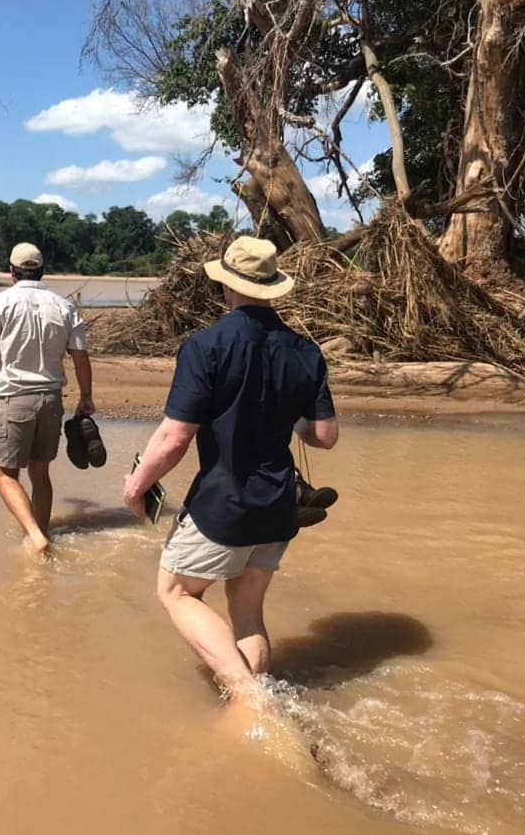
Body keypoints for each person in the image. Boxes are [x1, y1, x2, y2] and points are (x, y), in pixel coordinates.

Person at [123, 235, 338, 703]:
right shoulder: (305, 351)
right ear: (273, 288)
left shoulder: (206, 345)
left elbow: (174, 437)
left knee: (176, 592)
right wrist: (288, 411)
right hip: (278, 506)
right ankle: (257, 698)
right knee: (246, 612)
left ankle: (250, 700)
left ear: (226, 287)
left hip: (225, 503)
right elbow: (323, 437)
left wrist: (137, 486)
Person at [0, 242, 95, 555]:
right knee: (40, 474)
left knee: (3, 475)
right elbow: (80, 357)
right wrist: (86, 397)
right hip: (51, 400)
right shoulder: (64, 307)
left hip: (15, 399)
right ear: (42, 271)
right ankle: (42, 534)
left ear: (11, 271)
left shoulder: (0, 303)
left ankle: (35, 537)